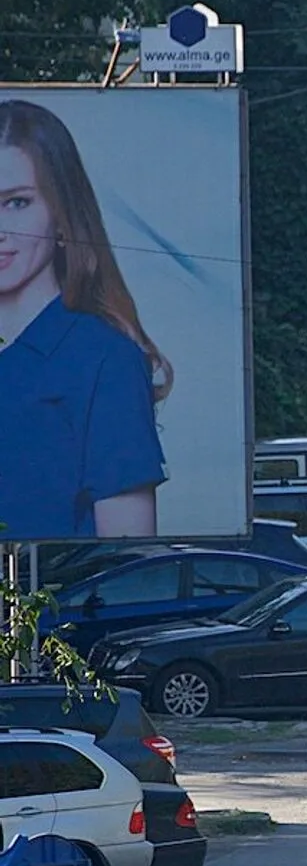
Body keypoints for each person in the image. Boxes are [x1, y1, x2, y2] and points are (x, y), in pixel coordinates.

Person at [0, 99, 170, 540]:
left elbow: (126, 558)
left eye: (15, 203)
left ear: (61, 215)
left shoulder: (104, 360)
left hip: (54, 608)